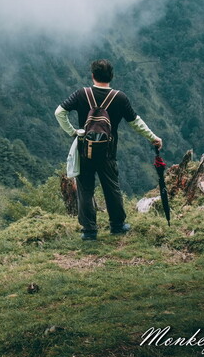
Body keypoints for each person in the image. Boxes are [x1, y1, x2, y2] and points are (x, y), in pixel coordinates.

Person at [54, 59, 162, 240]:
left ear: (93, 76)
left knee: (85, 190)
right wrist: (153, 138)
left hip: (84, 149)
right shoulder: (119, 98)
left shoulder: (82, 94)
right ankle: (117, 225)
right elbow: (135, 122)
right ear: (111, 76)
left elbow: (59, 112)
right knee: (111, 188)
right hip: (107, 152)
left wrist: (73, 132)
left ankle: (89, 231)